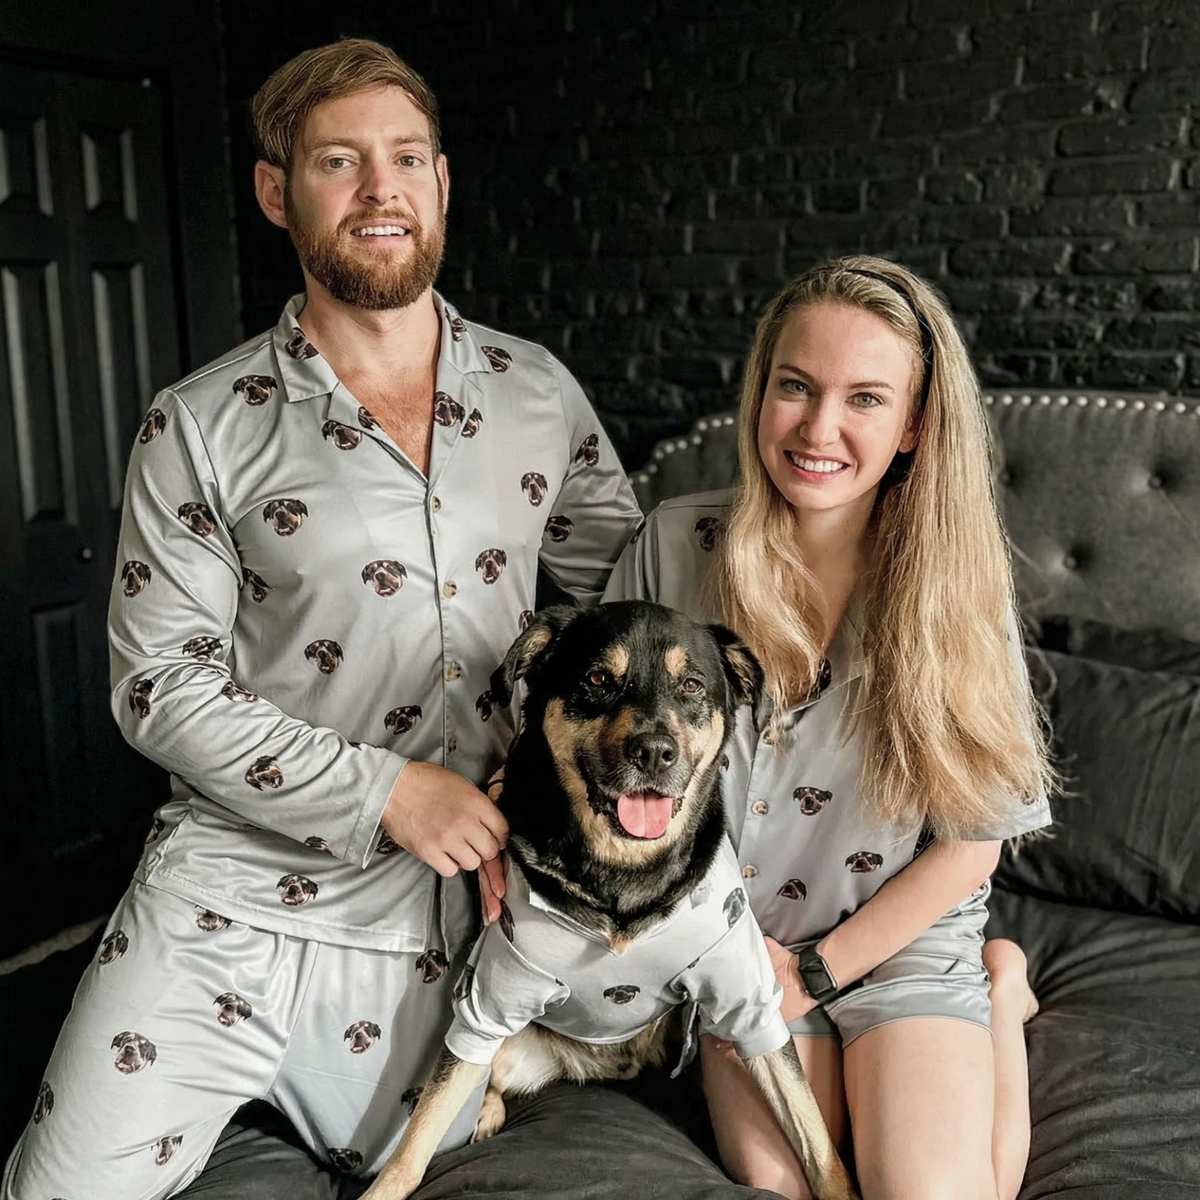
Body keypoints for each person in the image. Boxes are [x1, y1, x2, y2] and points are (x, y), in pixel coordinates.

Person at [3, 38, 641, 1199]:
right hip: (225, 898)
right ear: (274, 192)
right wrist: (386, 789)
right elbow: (159, 687)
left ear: (442, 181)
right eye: (338, 161)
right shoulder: (200, 424)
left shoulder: (538, 393)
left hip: (442, 913)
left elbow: (631, 605)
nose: (379, 189)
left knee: (426, 1157)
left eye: (406, 158)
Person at [604, 255, 1053, 1200]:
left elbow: (974, 845)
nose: (818, 429)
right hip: (738, 944)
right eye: (795, 387)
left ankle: (999, 995)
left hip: (900, 932)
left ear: (914, 426)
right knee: (787, 1187)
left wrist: (815, 971)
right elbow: (605, 756)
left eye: (865, 399)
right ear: (759, 392)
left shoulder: (957, 591)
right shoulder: (673, 549)